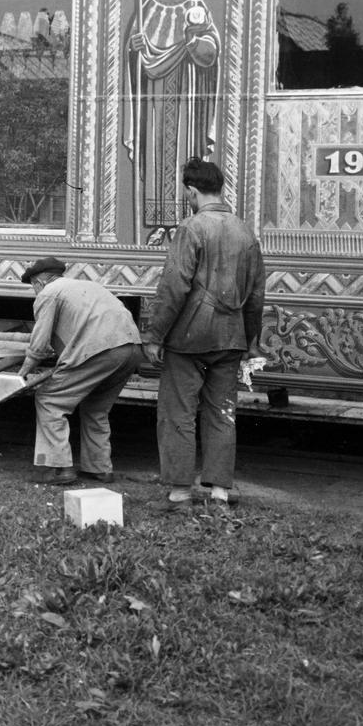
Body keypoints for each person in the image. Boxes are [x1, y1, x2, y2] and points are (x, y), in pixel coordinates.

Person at [142, 158, 265, 506]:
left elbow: (174, 286)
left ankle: (180, 490)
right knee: (222, 411)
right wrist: (249, 339)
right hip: (230, 338)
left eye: (188, 194)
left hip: (188, 339)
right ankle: (220, 490)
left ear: (191, 191)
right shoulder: (245, 231)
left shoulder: (192, 228)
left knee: (178, 411)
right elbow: (256, 295)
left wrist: (155, 335)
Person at [124, 0, 222, 241]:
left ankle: (183, 222)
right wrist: (134, 49)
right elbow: (133, 57)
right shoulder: (147, 5)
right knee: (155, 156)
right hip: (153, 99)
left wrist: (194, 42)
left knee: (185, 157)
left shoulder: (196, 4)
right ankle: (160, 225)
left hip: (186, 100)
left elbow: (212, 50)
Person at [15, 256, 142, 486]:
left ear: (39, 282)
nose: (34, 291)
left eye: (33, 286)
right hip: (131, 348)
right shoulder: (87, 286)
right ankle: (99, 468)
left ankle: (58, 468)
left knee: (49, 400)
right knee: (95, 407)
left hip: (98, 349)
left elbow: (39, 344)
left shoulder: (48, 293)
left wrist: (21, 374)